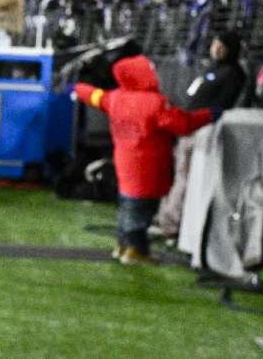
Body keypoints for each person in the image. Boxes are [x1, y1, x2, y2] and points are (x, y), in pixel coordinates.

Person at [75, 55, 213, 264]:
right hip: (149, 167)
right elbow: (183, 124)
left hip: (125, 164)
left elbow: (94, 96)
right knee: (141, 212)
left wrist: (75, 88)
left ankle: (122, 245)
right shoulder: (156, 103)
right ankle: (135, 251)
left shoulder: (115, 98)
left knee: (127, 206)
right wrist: (210, 114)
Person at [153, 29, 246, 237]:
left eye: (222, 46)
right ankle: (166, 217)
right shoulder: (211, 69)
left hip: (203, 131)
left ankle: (172, 223)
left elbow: (223, 104)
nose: (216, 49)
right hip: (187, 128)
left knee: (186, 177)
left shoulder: (233, 73)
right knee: (178, 175)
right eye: (215, 44)